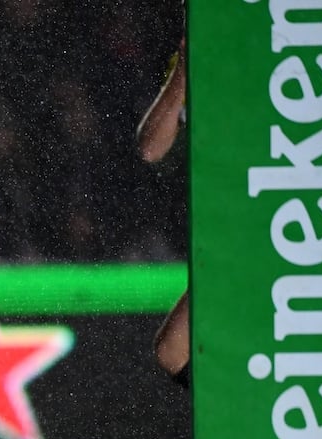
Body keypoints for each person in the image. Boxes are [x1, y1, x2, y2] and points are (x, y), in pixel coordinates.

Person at [136, 35, 189, 386]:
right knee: (172, 349)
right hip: (232, 233)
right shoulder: (182, 54)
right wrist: (186, 65)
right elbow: (151, 148)